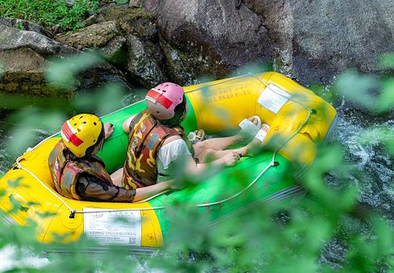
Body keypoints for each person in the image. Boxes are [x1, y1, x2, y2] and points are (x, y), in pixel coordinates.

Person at [120, 82, 269, 189]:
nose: (186, 106)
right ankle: (247, 150)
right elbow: (193, 173)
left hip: (141, 177)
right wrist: (224, 161)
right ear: (176, 112)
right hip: (163, 183)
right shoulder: (173, 143)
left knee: (202, 146)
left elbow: (125, 126)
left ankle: (239, 137)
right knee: (209, 154)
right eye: (184, 104)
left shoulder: (140, 117)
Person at [49, 114, 172, 202]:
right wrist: (168, 185)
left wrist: (102, 136)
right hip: (99, 203)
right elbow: (129, 196)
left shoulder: (63, 146)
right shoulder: (88, 184)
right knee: (135, 176)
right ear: (91, 148)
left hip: (78, 190)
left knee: (128, 169)